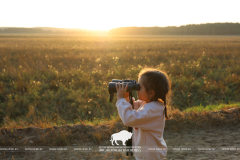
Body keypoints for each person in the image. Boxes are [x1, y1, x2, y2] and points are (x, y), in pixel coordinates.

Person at [115, 68, 171, 160]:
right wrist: (126, 98)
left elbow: (129, 118)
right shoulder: (150, 106)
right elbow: (134, 108)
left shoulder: (150, 110)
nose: (137, 89)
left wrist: (120, 100)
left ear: (151, 93)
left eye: (139, 87)